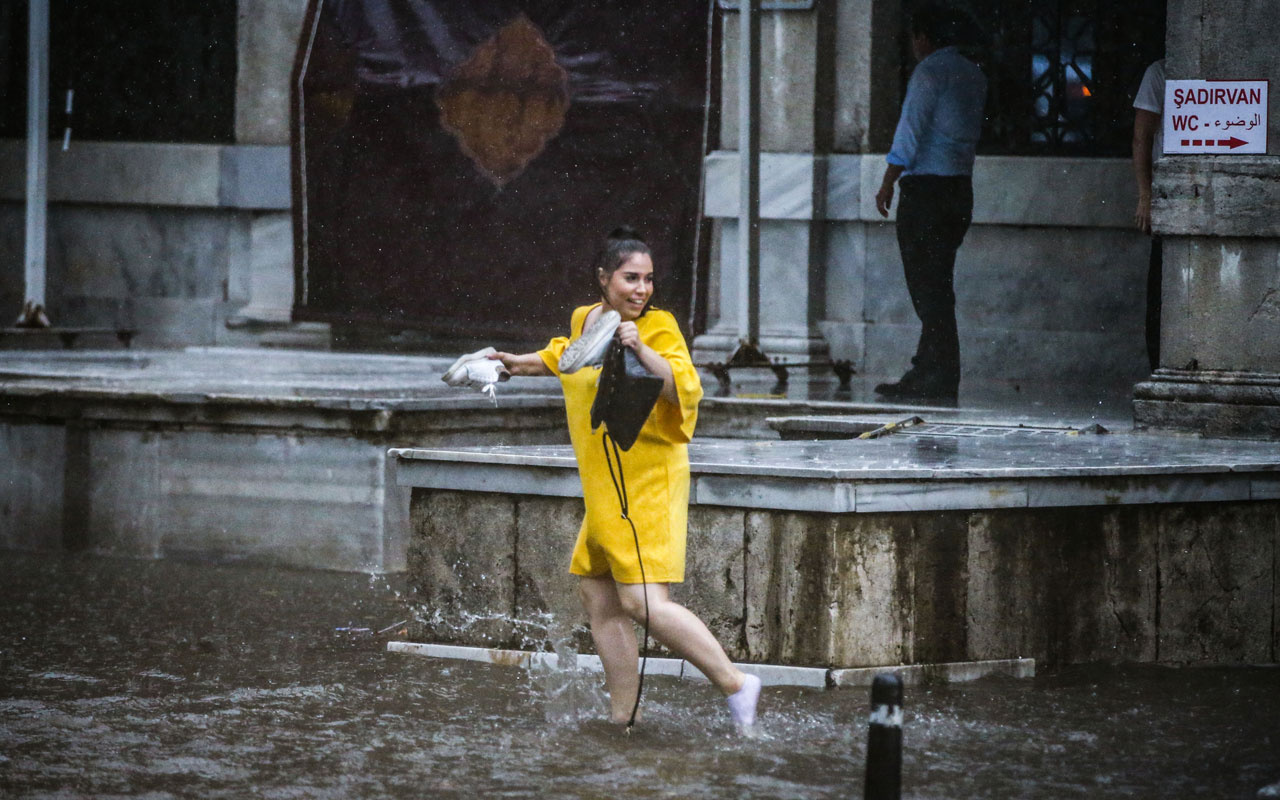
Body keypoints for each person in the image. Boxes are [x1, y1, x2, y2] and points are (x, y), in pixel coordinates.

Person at [492, 227, 761, 731]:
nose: (641, 289)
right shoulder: (587, 319)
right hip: (604, 485)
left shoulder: (657, 327)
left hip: (645, 479)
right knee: (599, 597)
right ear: (603, 278)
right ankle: (623, 716)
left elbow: (683, 387)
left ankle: (735, 683)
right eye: (630, 278)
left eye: (648, 279)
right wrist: (512, 365)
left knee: (640, 601)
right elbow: (565, 356)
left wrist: (640, 349)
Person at [873, 3, 987, 406]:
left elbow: (910, 131)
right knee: (938, 284)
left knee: (927, 287)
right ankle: (929, 369)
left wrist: (888, 181)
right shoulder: (973, 73)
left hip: (926, 191)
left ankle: (938, 373)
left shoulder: (929, 72)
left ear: (923, 37)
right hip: (959, 189)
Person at [1133, 58, 1165, 373]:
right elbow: (1142, 137)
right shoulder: (1159, 72)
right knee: (1159, 298)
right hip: (1167, 190)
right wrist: (1146, 195)